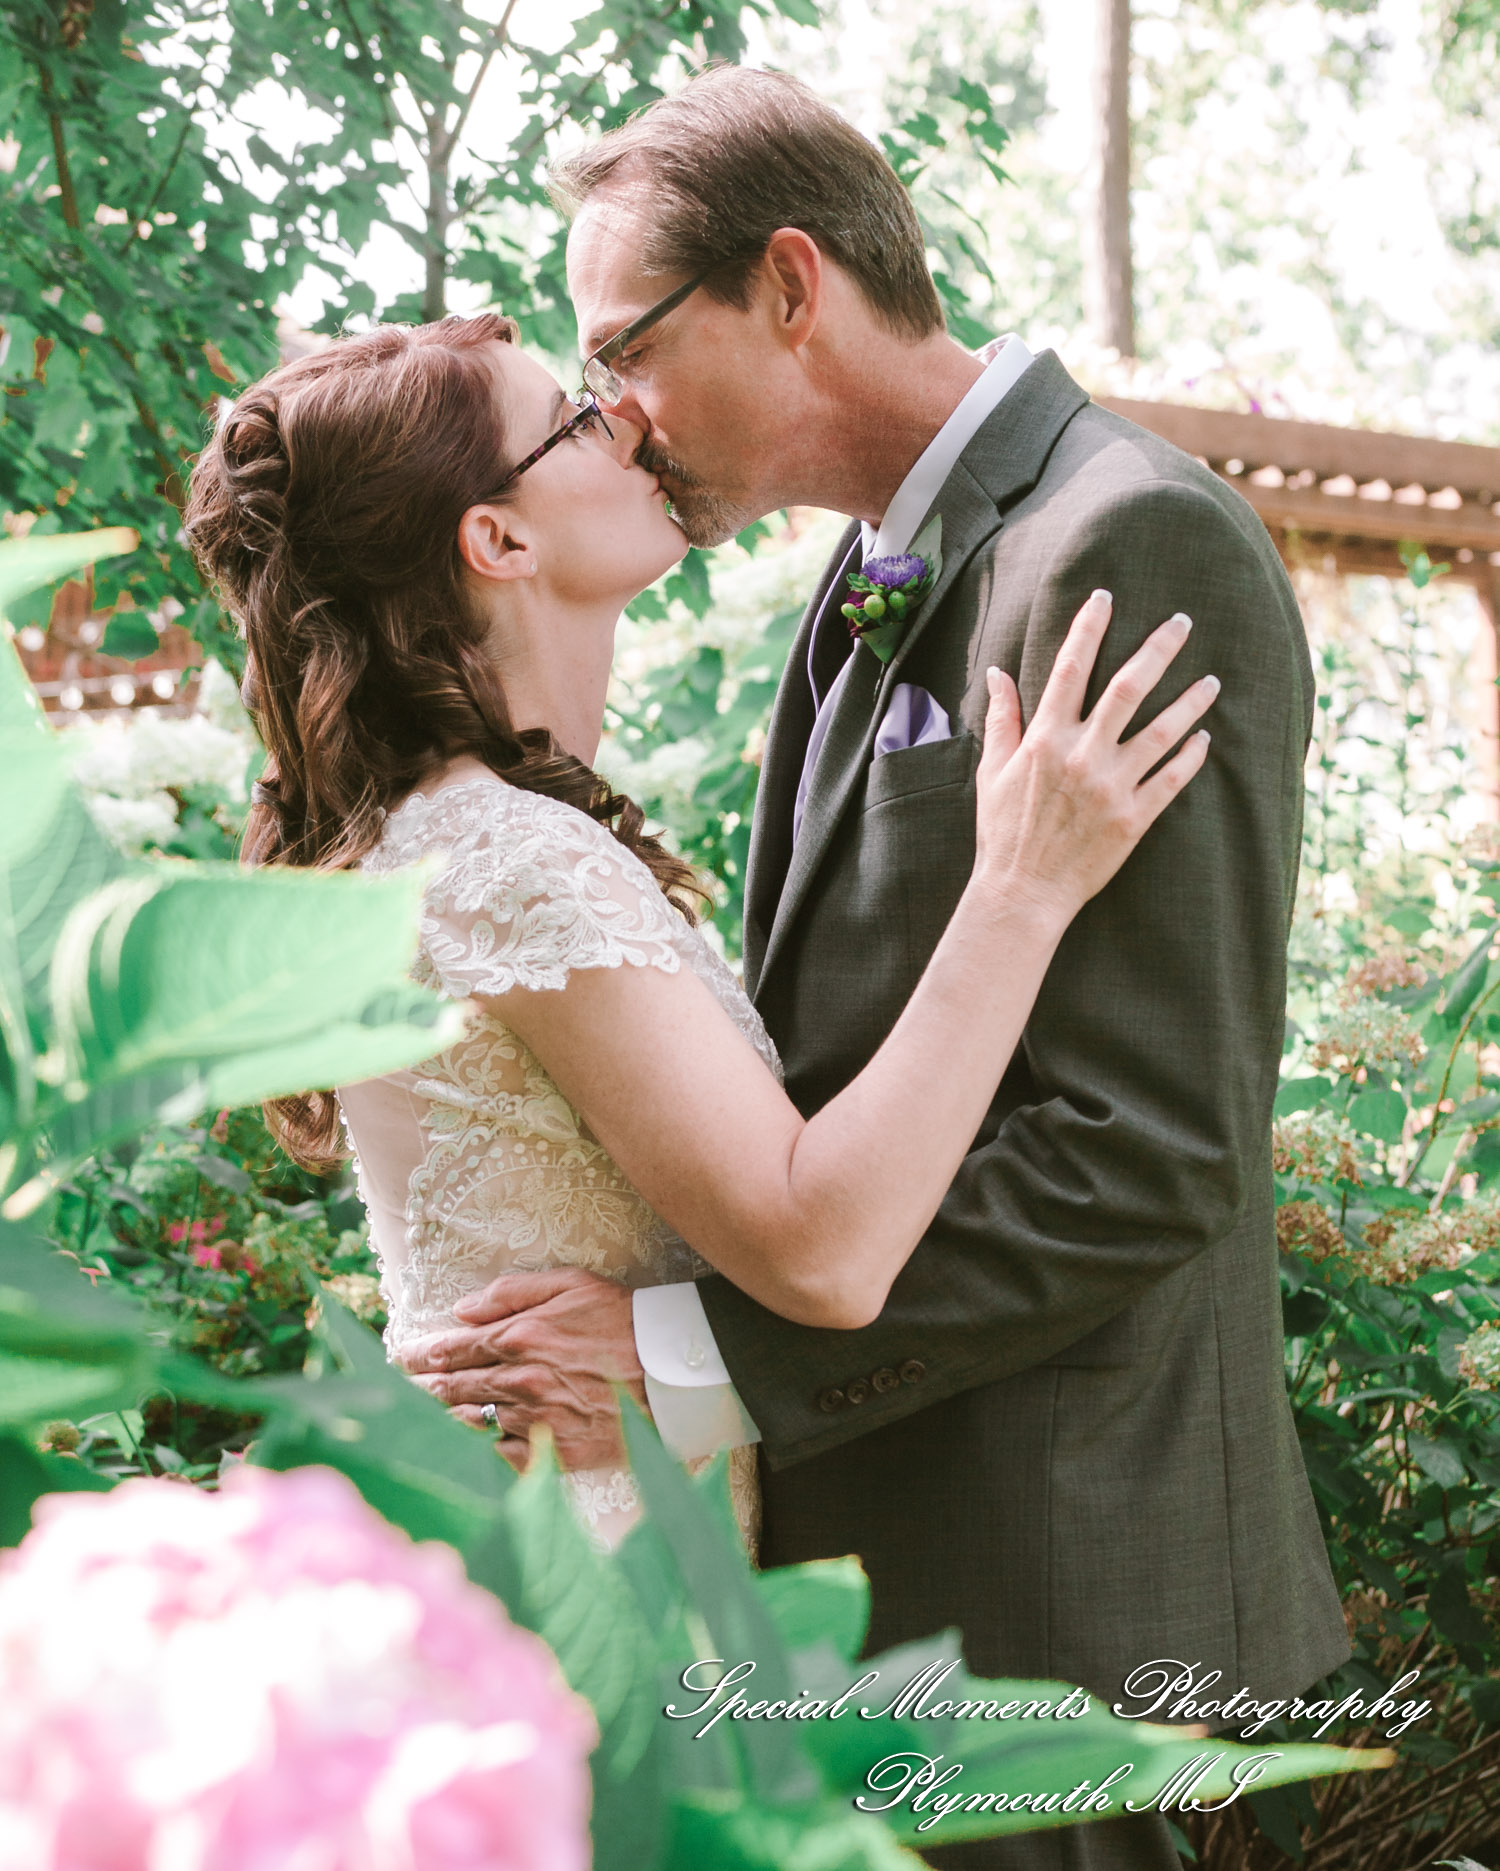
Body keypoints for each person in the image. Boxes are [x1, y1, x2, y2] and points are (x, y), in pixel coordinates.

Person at [395, 66, 1351, 1871]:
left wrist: (687, 1363)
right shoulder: (856, 585)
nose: (616, 411)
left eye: (629, 349)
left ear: (786, 284)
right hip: (871, 1604)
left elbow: (1144, 1147)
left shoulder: (1122, 541)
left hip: (1061, 1614)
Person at [183, 312, 1210, 1562]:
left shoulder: (461, 834)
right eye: (571, 416)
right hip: (588, 1560)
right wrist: (1022, 884)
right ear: (497, 539)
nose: (621, 418)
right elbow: (821, 1248)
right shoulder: (508, 857)